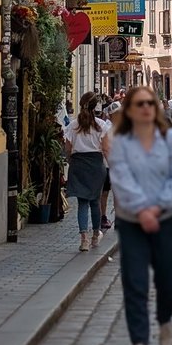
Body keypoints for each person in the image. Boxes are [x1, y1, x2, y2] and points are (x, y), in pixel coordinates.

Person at [108, 85, 172, 345]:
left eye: (150, 103)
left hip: (166, 219)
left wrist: (157, 208)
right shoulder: (121, 142)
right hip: (132, 222)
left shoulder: (170, 139)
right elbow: (120, 178)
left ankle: (165, 319)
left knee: (168, 278)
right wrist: (142, 209)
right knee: (134, 281)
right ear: (129, 110)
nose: (146, 108)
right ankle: (139, 343)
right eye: (139, 104)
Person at [63, 91, 111, 252]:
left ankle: (83, 239)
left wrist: (71, 160)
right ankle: (95, 235)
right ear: (95, 106)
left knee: (82, 203)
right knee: (95, 202)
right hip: (96, 165)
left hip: (78, 164)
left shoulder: (73, 125)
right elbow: (105, 149)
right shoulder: (101, 125)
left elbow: (68, 148)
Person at [99, 100, 123, 229]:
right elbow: (104, 148)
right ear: (111, 115)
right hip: (107, 165)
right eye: (116, 113)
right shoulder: (106, 128)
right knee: (104, 192)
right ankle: (103, 216)